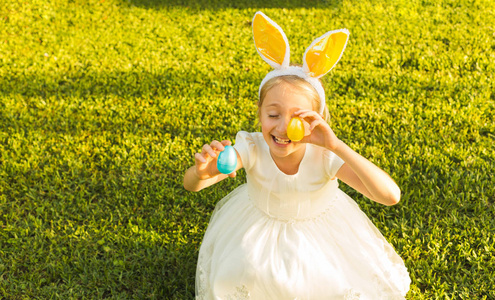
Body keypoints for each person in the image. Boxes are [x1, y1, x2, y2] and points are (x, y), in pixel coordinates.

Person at [184, 11, 411, 299]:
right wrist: (202, 172)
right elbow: (192, 184)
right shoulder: (251, 147)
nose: (281, 127)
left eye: (297, 117)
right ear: (260, 113)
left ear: (318, 119)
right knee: (242, 279)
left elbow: (390, 196)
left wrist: (336, 145)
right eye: (273, 114)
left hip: (322, 237)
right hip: (257, 233)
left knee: (323, 285)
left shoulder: (324, 155)